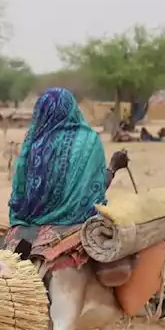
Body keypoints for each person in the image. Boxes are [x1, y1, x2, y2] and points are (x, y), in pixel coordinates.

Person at [8, 87, 126, 230]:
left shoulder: (33, 145)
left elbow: (20, 197)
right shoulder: (89, 141)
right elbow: (94, 191)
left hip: (33, 221)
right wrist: (112, 168)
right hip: (79, 221)